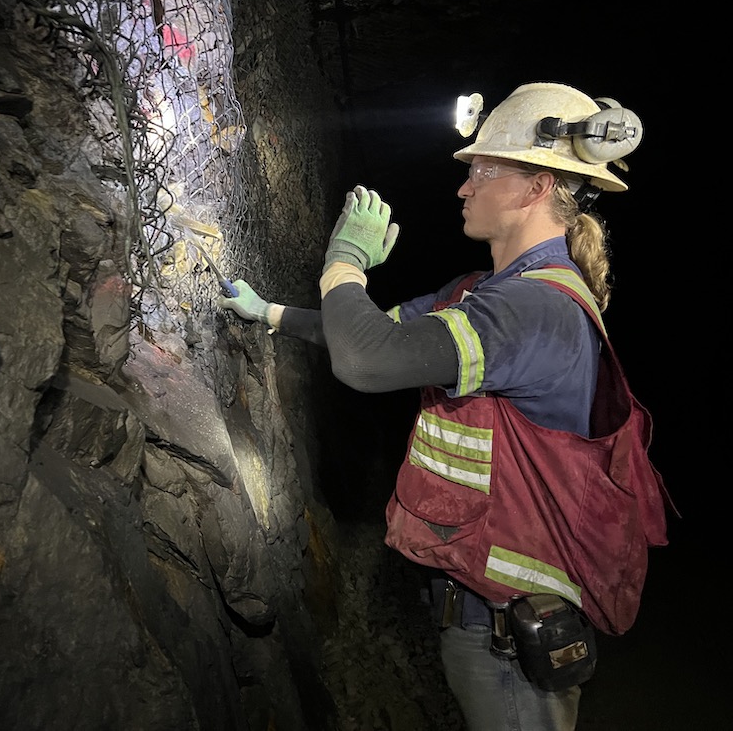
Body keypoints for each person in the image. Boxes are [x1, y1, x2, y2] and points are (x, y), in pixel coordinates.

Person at [218, 82, 671, 731]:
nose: (463, 187)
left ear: (536, 187)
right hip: (489, 626)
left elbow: (366, 362)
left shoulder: (533, 312)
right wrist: (272, 314)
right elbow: (377, 338)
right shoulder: (491, 294)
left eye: (483, 170)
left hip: (514, 642)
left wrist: (345, 258)